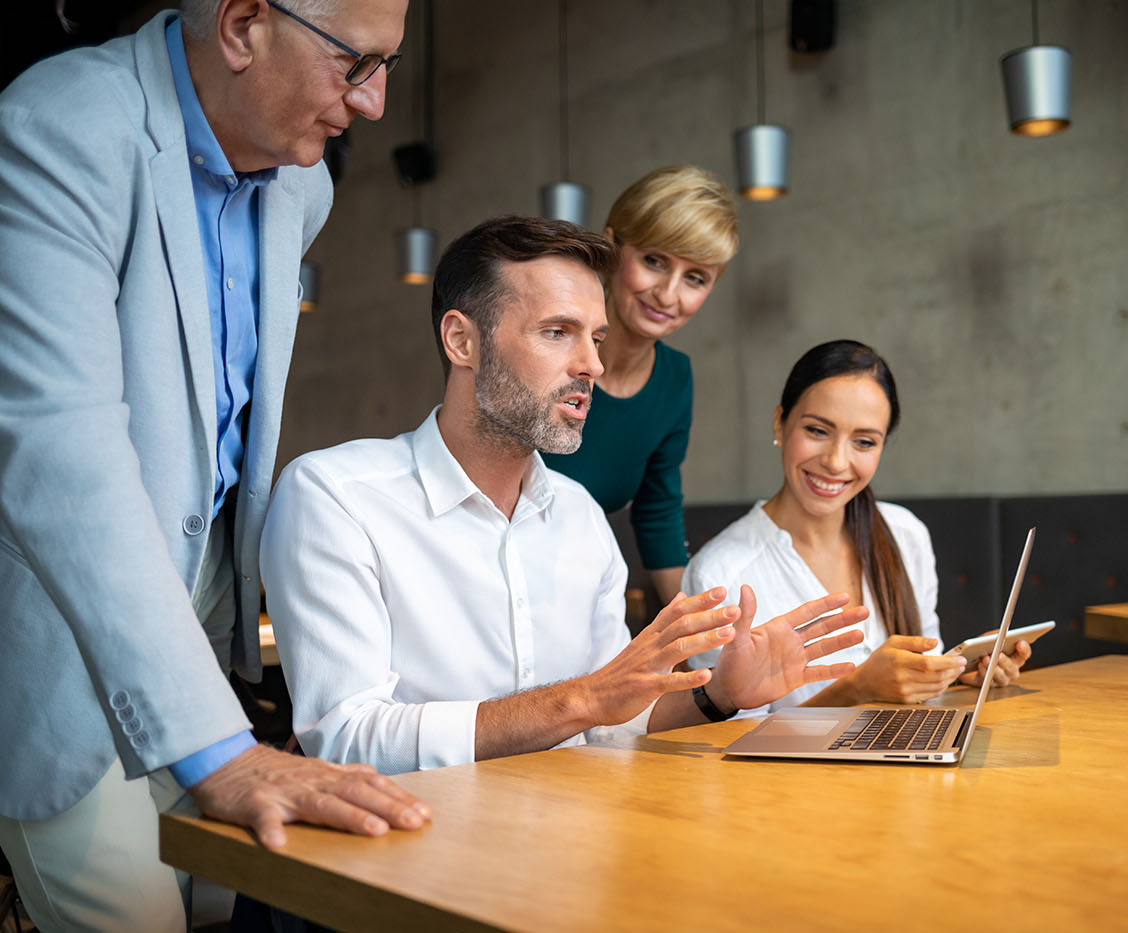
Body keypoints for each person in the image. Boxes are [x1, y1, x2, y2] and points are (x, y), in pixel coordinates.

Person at [0, 2, 431, 930]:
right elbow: (60, 445)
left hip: (208, 655)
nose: (377, 104)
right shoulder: (60, 127)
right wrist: (220, 752)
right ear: (243, 25)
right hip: (65, 662)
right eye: (357, 65)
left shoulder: (299, 188)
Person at [259, 216, 866, 774]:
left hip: (573, 853)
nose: (593, 365)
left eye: (597, 339)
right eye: (558, 332)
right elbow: (348, 738)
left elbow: (613, 721)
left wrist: (717, 695)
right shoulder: (335, 495)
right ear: (461, 341)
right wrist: (579, 700)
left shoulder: (579, 514)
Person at [682, 340, 1033, 716]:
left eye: (864, 442)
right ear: (779, 423)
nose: (836, 462)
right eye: (818, 430)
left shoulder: (905, 533)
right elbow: (729, 745)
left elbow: (920, 671)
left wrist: (960, 670)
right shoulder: (719, 575)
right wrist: (857, 689)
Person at [542, 166, 738, 605]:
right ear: (612, 248)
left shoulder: (674, 380)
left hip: (578, 596)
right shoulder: (547, 347)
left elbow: (657, 514)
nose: (668, 295)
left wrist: (695, 640)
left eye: (695, 278)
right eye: (654, 261)